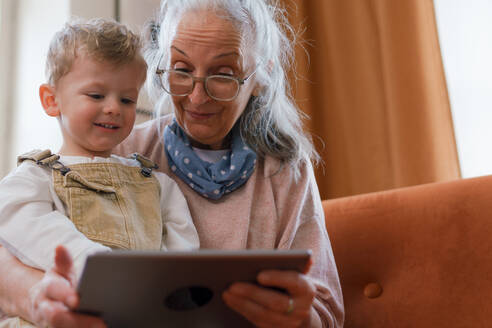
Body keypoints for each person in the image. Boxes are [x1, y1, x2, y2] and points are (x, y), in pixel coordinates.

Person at [0, 0, 345, 327]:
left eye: (223, 74)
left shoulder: (284, 171)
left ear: (260, 77)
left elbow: (326, 310)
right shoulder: (119, 148)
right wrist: (35, 296)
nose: (197, 97)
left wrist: (296, 316)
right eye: (181, 70)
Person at [0, 18, 199, 327]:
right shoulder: (35, 178)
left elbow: (183, 262)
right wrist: (98, 268)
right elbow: (20, 222)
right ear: (52, 100)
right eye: (96, 95)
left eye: (127, 99)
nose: (113, 108)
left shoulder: (158, 185)